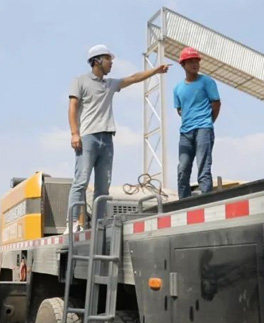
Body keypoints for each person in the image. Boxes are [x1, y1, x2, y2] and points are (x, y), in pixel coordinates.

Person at [66, 44, 170, 232]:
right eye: (108, 59)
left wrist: (155, 70)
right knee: (81, 181)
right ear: (97, 60)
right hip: (87, 137)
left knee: (103, 188)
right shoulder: (80, 81)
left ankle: (98, 225)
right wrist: (75, 133)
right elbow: (73, 107)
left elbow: (133, 78)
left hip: (107, 140)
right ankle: (72, 223)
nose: (111, 63)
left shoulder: (110, 84)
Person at [174, 47, 221, 199]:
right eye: (191, 62)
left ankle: (207, 202)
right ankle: (183, 203)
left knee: (203, 168)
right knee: (182, 169)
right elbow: (180, 109)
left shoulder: (207, 82)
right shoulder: (177, 88)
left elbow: (216, 103)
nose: (195, 64)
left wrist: (208, 122)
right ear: (183, 65)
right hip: (185, 132)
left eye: (196, 61)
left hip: (203, 129)